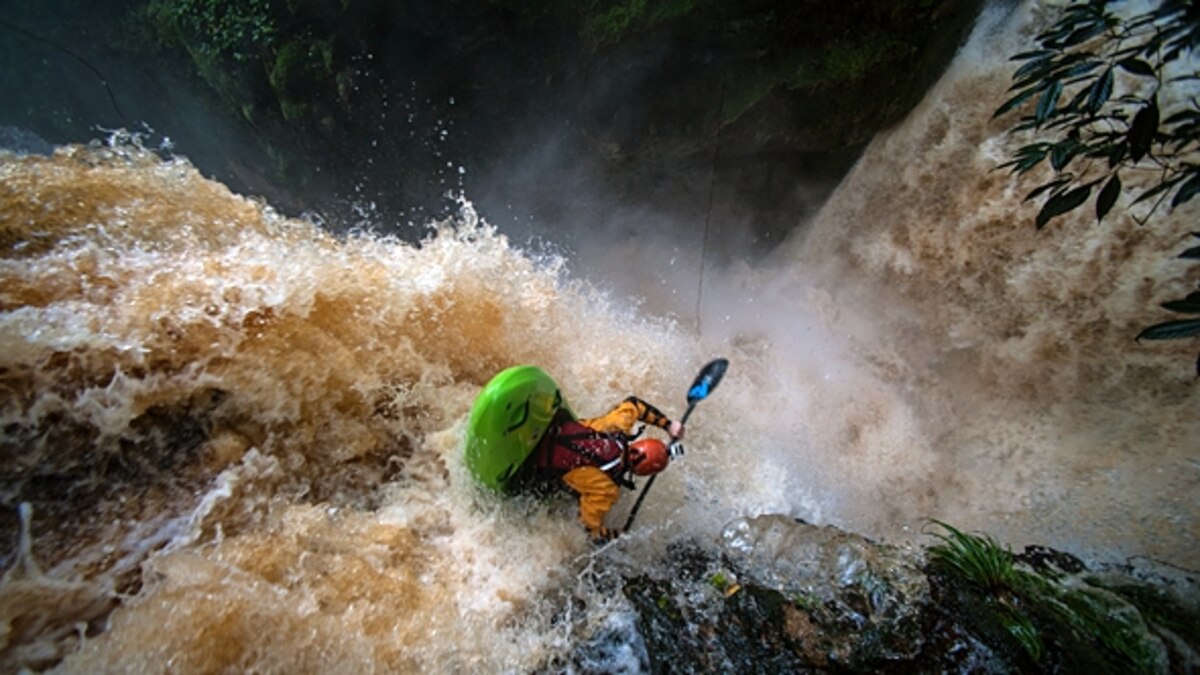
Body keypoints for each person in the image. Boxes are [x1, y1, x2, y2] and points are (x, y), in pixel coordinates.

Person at [520, 396, 684, 543]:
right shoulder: (607, 490)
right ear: (640, 472)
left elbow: (635, 404)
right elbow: (587, 530)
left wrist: (668, 425)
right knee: (570, 497)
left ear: (638, 444)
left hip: (544, 429)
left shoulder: (617, 426)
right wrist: (617, 535)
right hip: (531, 466)